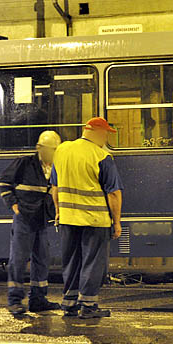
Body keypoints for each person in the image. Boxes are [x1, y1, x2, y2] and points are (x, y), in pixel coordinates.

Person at [50, 117, 123, 319]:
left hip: (67, 218)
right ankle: (89, 306)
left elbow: (54, 188)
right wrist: (116, 222)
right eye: (106, 134)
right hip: (94, 220)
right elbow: (113, 193)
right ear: (99, 133)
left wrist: (58, 212)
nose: (106, 138)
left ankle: (69, 303)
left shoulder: (62, 151)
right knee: (93, 262)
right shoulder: (101, 155)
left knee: (71, 261)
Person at [0, 130, 62, 315]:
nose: (53, 153)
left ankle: (38, 300)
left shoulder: (55, 166)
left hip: (41, 220)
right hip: (25, 219)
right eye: (50, 149)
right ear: (39, 148)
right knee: (18, 260)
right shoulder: (25, 163)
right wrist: (14, 206)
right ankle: (15, 300)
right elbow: (4, 182)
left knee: (42, 260)